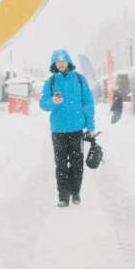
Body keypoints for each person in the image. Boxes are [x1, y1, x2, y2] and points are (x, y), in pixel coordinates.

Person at [39, 49, 96, 207]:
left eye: (63, 60)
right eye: (58, 61)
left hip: (77, 129)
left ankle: (75, 192)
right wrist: (52, 102)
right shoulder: (50, 82)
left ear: (69, 62)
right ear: (54, 64)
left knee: (77, 164)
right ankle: (63, 197)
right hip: (58, 131)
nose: (61, 63)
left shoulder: (79, 79)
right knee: (61, 165)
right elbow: (43, 104)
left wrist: (90, 125)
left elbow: (88, 104)